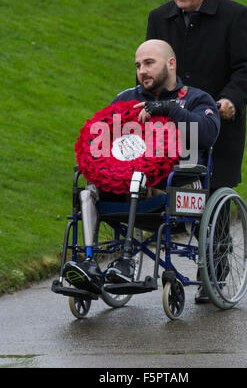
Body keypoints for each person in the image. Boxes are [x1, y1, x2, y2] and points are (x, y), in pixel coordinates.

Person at [63, 39, 220, 297]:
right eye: (138, 65)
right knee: (88, 187)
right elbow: (104, 140)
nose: (142, 71)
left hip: (178, 186)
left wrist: (170, 110)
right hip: (126, 188)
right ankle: (89, 262)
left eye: (149, 63)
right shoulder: (126, 99)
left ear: (171, 64)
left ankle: (126, 261)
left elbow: (207, 135)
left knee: (139, 178)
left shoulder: (196, 98)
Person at [146, 0, 247, 191]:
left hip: (217, 130)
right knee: (164, 211)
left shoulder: (235, 16)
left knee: (212, 212)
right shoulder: (159, 18)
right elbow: (150, 68)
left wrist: (231, 100)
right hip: (168, 133)